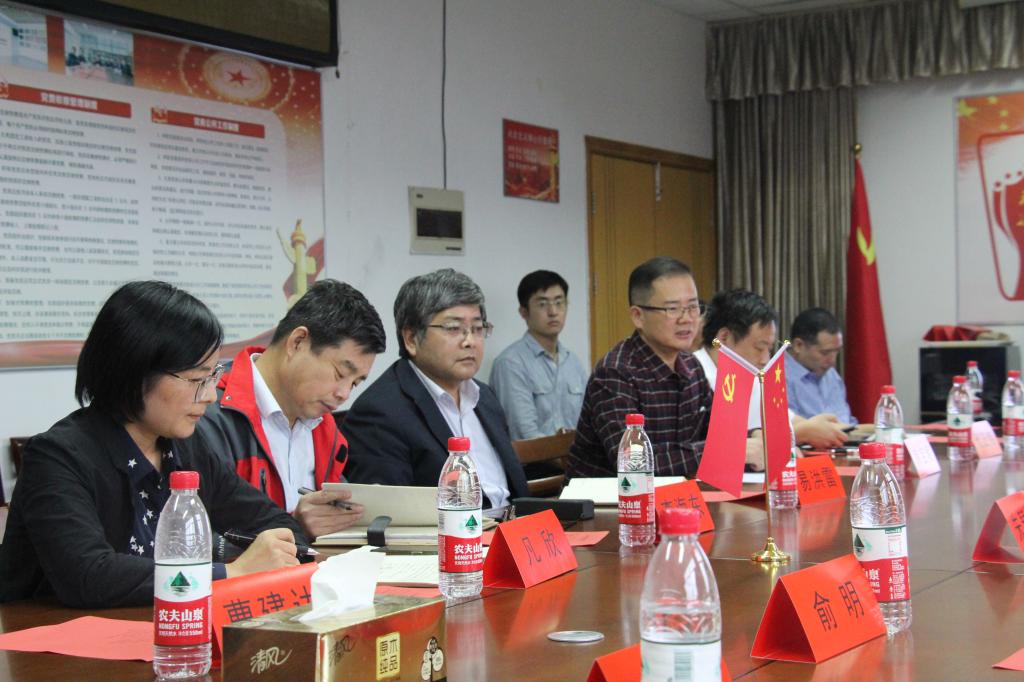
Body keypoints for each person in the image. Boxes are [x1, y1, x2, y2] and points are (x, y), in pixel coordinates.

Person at [0, 281, 308, 608]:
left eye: (212, 376)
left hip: (159, 624)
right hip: (53, 634)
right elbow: (88, 576)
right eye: (196, 379)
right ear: (133, 372)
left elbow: (275, 524)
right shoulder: (57, 457)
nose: (209, 395)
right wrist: (231, 572)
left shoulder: (186, 447)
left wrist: (274, 549)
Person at [196, 279, 386, 540]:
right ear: (297, 342)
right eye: (340, 373)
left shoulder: (325, 427)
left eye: (355, 383)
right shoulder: (208, 413)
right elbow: (192, 538)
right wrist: (293, 528)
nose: (344, 393)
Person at [342, 269, 529, 509]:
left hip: (515, 525)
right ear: (411, 339)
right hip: (454, 532)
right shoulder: (379, 412)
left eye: (477, 328)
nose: (470, 341)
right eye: (453, 328)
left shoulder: (485, 397)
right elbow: (388, 516)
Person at [567, 257, 712, 478]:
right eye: (673, 309)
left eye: (693, 307)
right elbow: (634, 465)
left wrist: (752, 438)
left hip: (675, 493)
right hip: (609, 497)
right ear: (638, 316)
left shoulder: (692, 366)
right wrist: (716, 451)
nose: (687, 319)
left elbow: (718, 430)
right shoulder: (615, 374)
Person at [693, 290, 848, 456]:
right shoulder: (694, 378)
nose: (765, 359)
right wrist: (802, 432)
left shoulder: (751, 378)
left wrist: (817, 427)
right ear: (724, 338)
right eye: (759, 348)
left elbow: (787, 421)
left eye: (769, 348)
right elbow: (719, 444)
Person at [489, 270, 589, 440]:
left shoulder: (573, 362)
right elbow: (524, 435)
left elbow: (588, 422)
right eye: (543, 304)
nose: (553, 311)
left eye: (559, 302)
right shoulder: (510, 363)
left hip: (574, 455)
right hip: (535, 457)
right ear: (523, 312)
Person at [785, 307, 857, 425]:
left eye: (837, 351)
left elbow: (847, 423)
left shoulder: (831, 375)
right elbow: (788, 430)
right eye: (825, 353)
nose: (832, 361)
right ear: (798, 345)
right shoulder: (777, 378)